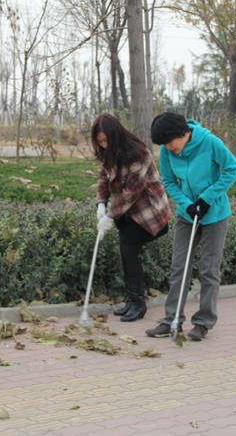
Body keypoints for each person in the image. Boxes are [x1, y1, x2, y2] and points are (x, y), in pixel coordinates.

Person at [145, 112, 236, 341]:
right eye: (164, 145)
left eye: (170, 142)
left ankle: (203, 322)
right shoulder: (168, 151)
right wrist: (187, 204)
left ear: (183, 133)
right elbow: (168, 181)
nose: (168, 148)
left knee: (209, 269)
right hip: (187, 215)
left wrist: (206, 199)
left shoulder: (210, 142)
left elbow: (232, 169)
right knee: (179, 266)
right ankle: (171, 320)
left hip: (215, 214)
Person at [92, 114, 171, 322]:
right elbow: (104, 178)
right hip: (126, 212)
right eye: (100, 141)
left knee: (128, 250)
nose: (103, 144)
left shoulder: (139, 154)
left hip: (149, 211)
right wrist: (101, 203)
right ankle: (132, 300)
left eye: (106, 140)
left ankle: (138, 304)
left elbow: (131, 193)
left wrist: (109, 216)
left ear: (116, 135)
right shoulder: (109, 152)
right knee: (126, 252)